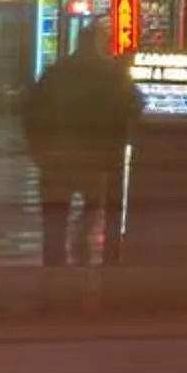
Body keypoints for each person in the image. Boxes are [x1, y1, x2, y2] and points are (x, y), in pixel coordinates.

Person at [19, 24, 143, 266]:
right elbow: (135, 104)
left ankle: (54, 263)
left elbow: (31, 110)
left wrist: (36, 147)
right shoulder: (113, 74)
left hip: (58, 154)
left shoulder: (56, 72)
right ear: (99, 42)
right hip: (100, 154)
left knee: (54, 216)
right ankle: (95, 247)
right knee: (97, 203)